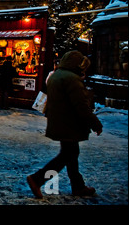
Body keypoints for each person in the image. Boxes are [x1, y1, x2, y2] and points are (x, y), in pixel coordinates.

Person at [26, 50, 103, 198]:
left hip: (60, 121)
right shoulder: (71, 79)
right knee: (67, 155)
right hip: (70, 123)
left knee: (71, 154)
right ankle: (37, 179)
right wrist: (95, 123)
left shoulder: (56, 75)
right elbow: (81, 106)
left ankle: (78, 186)